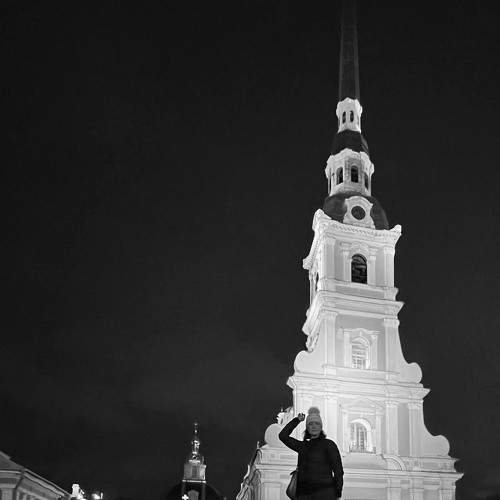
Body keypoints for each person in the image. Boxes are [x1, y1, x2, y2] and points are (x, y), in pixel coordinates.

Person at [279, 407, 343, 500]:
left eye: (317, 423)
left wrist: (337, 492)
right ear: (307, 428)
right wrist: (297, 420)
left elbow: (338, 470)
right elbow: (283, 436)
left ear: (321, 427)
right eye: (310, 424)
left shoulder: (329, 444)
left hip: (325, 493)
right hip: (304, 494)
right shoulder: (302, 446)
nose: (314, 426)